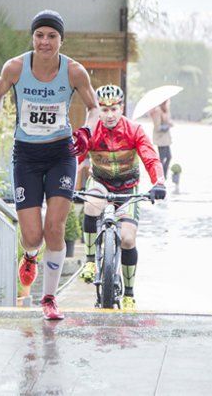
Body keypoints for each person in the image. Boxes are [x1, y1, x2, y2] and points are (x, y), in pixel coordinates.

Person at [0, 9, 99, 321]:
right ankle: (30, 255)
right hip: (27, 157)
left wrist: (87, 131)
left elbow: (94, 108)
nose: (45, 42)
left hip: (61, 154)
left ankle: (48, 297)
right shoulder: (16, 67)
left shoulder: (74, 72)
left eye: (51, 36)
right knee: (33, 235)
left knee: (55, 227)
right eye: (39, 35)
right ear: (32, 37)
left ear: (61, 40)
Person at [74, 84, 166, 310]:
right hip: (100, 182)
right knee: (92, 205)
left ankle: (129, 293)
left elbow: (151, 159)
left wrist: (159, 183)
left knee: (127, 239)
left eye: (114, 109)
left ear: (121, 108)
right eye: (104, 110)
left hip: (128, 188)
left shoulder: (134, 130)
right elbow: (74, 159)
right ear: (98, 110)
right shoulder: (91, 131)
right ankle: (89, 262)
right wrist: (64, 182)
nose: (109, 115)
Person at [149, 99, 172, 180]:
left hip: (166, 139)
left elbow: (167, 120)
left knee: (169, 157)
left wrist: (169, 123)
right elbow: (157, 127)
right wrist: (167, 126)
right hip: (160, 139)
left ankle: (164, 175)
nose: (168, 103)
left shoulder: (165, 109)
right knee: (162, 159)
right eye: (167, 101)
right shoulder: (157, 111)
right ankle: (160, 176)